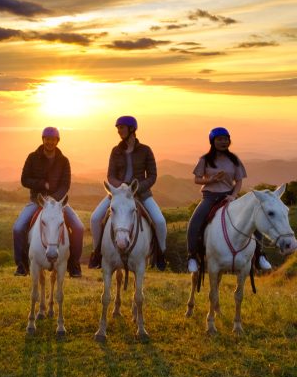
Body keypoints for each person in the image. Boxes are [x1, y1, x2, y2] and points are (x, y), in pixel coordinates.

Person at [185, 127, 271, 273]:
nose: (223, 142)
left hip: (229, 195)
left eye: (226, 139)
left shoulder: (234, 160)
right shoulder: (205, 160)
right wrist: (211, 179)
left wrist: (233, 195)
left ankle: (260, 255)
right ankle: (192, 256)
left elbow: (238, 181)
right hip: (210, 196)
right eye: (219, 139)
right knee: (194, 223)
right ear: (212, 142)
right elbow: (196, 179)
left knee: (253, 219)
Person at [88, 116, 167, 270]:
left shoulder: (145, 150)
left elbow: (152, 176)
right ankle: (97, 253)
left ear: (132, 129)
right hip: (117, 194)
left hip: (141, 194)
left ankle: (161, 254)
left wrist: (136, 188)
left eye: (122, 127)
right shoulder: (115, 151)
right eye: (118, 128)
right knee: (95, 218)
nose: (119, 131)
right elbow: (110, 176)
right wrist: (121, 187)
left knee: (159, 221)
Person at [12, 127, 84, 277]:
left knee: (78, 227)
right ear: (43, 139)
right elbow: (24, 180)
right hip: (37, 201)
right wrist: (41, 185)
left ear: (57, 141)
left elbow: (66, 184)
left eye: (53, 139)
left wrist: (55, 199)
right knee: (18, 228)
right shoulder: (32, 157)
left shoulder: (64, 161)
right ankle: (22, 265)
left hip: (58, 203)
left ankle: (74, 265)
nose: (50, 142)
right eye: (47, 139)